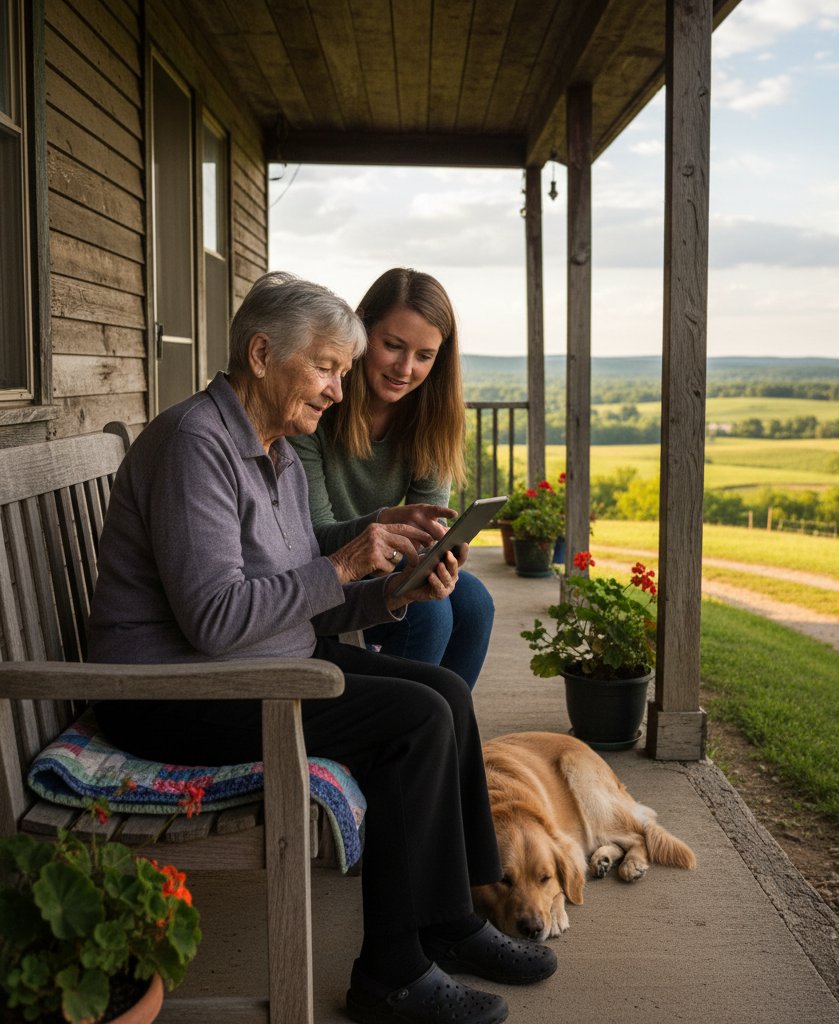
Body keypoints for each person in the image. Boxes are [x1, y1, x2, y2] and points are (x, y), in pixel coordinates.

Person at [86, 272, 555, 1024]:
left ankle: (453, 921)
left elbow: (304, 579)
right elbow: (214, 616)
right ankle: (392, 977)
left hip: (257, 667)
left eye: (343, 370)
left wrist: (394, 588)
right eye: (327, 368)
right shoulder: (195, 445)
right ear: (264, 354)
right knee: (413, 720)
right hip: (174, 694)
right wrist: (344, 563)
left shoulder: (270, 448)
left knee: (447, 695)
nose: (341, 390)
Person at [289, 268, 494, 688]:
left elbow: (427, 531)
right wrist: (387, 525)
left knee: (474, 601)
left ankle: (445, 739)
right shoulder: (318, 407)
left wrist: (440, 554)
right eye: (393, 346)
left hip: (388, 563)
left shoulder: (432, 418)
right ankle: (398, 740)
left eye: (424, 356)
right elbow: (313, 535)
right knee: (429, 610)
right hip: (326, 573)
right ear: (361, 332)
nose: (405, 368)